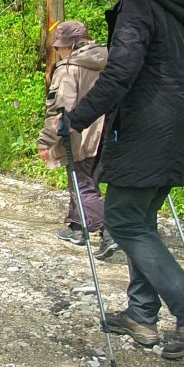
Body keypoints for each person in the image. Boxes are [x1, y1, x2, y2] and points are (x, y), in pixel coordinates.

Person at [66, 0, 184, 359]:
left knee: (122, 220)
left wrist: (77, 118)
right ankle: (141, 314)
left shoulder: (138, 3)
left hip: (149, 126)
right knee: (141, 220)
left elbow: (121, 70)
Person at [38, 21, 118, 260]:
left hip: (81, 134)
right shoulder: (110, 62)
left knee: (83, 184)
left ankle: (113, 230)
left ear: (70, 46)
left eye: (59, 47)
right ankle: (77, 227)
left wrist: (46, 140)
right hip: (111, 133)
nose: (57, 51)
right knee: (86, 180)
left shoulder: (69, 69)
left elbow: (61, 110)